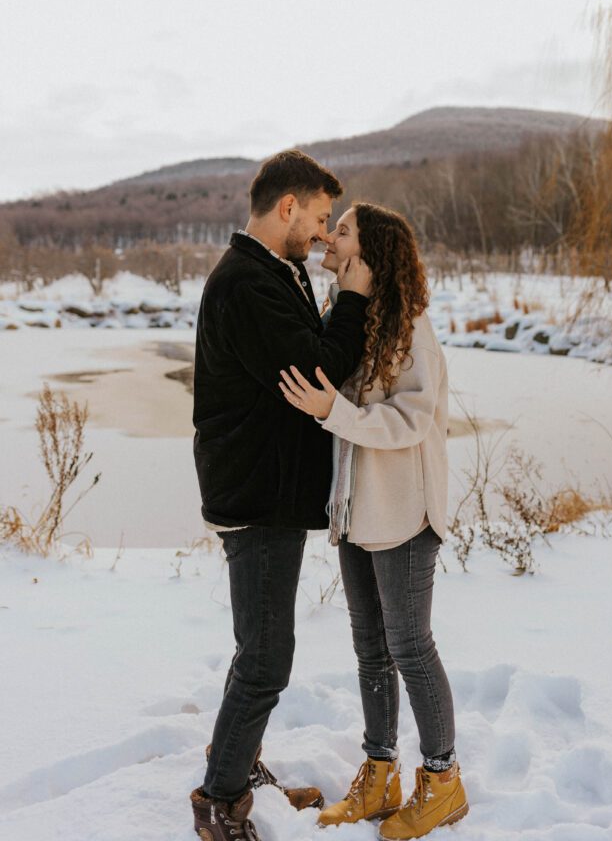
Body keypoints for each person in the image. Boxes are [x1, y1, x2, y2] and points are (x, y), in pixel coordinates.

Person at [190, 151, 372, 841]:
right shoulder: (246, 282)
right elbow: (318, 367)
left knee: (257, 648)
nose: (325, 236)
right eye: (321, 219)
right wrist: (354, 296)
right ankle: (219, 798)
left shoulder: (274, 272)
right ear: (286, 207)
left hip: (263, 488)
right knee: (266, 659)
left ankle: (231, 756)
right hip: (256, 495)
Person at [279, 202, 468, 840]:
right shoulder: (345, 315)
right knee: (369, 651)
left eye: (343, 230)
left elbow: (413, 419)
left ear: (372, 250)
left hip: (403, 513)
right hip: (355, 511)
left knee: (410, 647)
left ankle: (442, 782)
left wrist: (336, 411)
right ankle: (381, 772)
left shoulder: (412, 328)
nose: (330, 237)